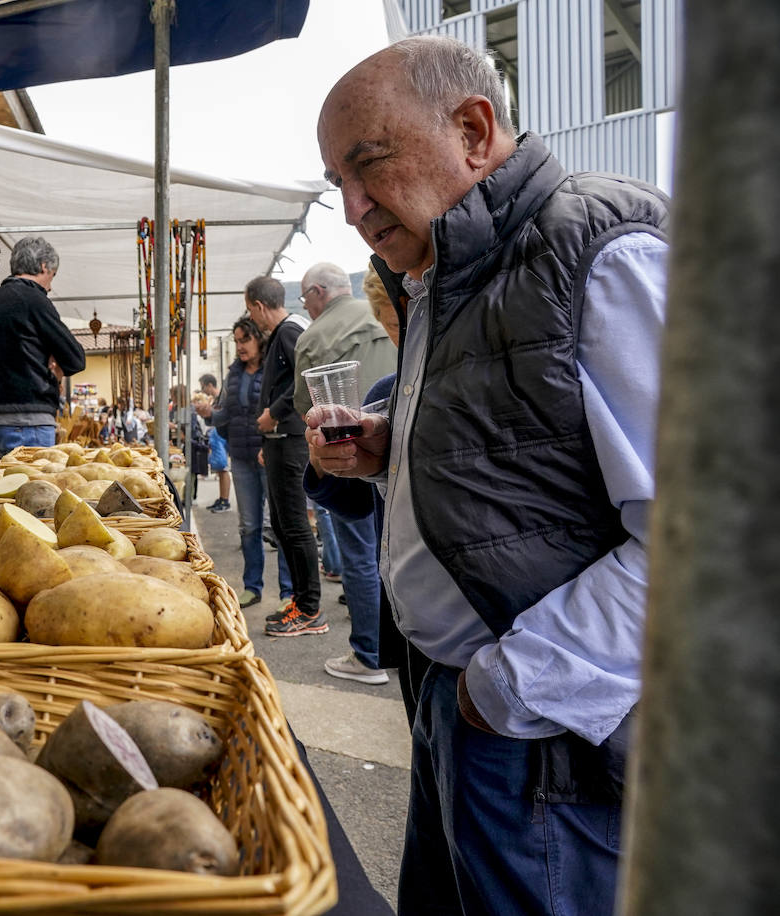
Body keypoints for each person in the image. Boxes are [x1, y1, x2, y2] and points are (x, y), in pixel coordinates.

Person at [311, 36, 668, 915]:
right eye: (339, 186)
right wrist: (388, 446)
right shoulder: (447, 266)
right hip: (460, 703)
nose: (354, 207)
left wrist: (504, 690)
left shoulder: (603, 249)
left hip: (547, 737)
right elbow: (531, 451)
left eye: (369, 165)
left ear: (474, 130)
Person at [293, 260, 398, 686]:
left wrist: (323, 456)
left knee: (363, 558)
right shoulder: (390, 383)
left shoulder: (315, 336)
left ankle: (369, 654)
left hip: (347, 456)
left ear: (317, 292)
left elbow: (307, 407)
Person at [245, 276, 325, 637]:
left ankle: (310, 609)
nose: (253, 318)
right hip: (278, 440)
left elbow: (304, 377)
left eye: (251, 311)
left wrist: (274, 412)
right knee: (281, 524)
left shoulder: (290, 330)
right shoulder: (282, 333)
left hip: (289, 438)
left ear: (260, 306)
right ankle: (298, 599)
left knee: (293, 523)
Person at [203, 316, 293, 609]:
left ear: (259, 339)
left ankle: (288, 593)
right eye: (237, 341)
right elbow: (226, 414)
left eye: (245, 340)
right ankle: (252, 586)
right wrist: (207, 414)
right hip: (241, 457)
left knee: (280, 525)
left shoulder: (273, 369)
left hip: (271, 453)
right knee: (248, 526)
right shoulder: (234, 374)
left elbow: (286, 407)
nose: (240, 346)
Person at [0, 236, 85, 453]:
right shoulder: (34, 299)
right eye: (51, 277)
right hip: (28, 423)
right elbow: (75, 358)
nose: (50, 287)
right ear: (43, 266)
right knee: (33, 485)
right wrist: (55, 368)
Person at [197, 374, 232, 512]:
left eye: (203, 386)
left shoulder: (222, 397)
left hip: (219, 436)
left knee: (222, 468)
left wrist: (210, 411)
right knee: (219, 468)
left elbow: (222, 414)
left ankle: (225, 500)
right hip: (217, 435)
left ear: (210, 385)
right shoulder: (217, 398)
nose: (203, 390)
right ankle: (222, 498)